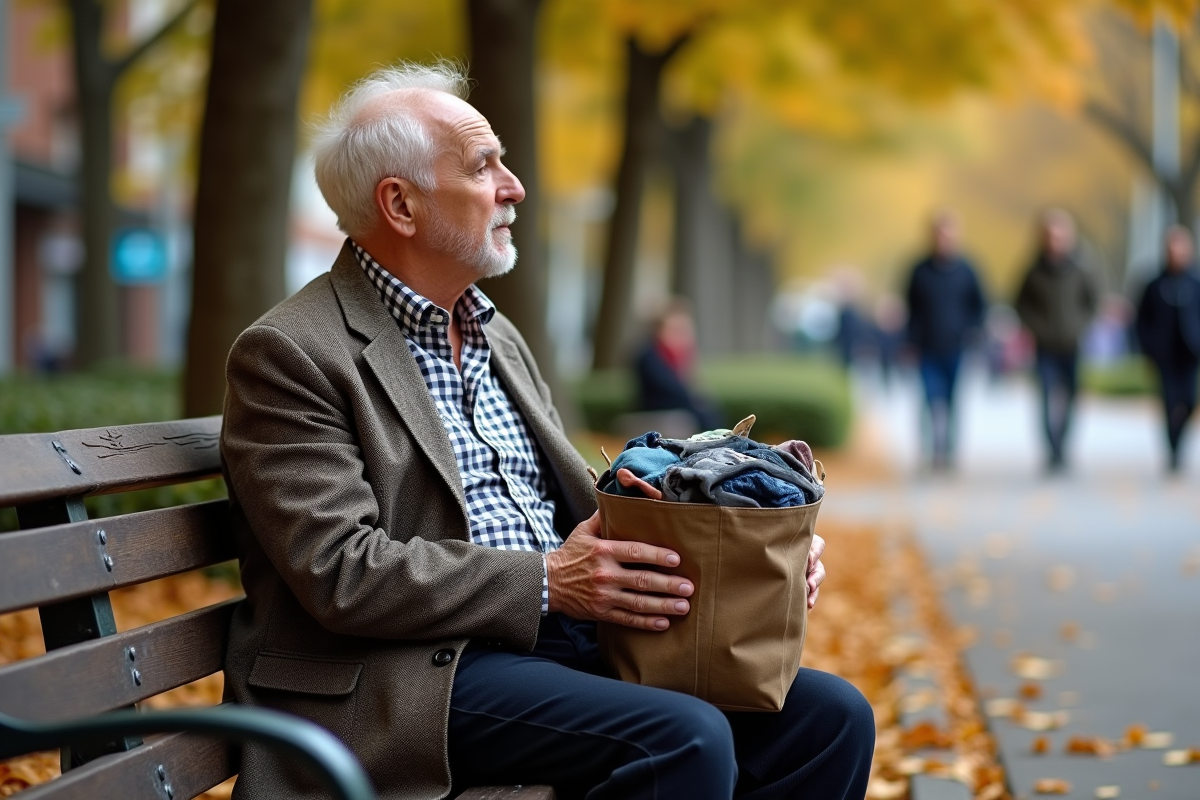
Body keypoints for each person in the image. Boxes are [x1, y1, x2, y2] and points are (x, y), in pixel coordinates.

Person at [219, 63, 874, 800]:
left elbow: (578, 513)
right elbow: (341, 572)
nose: (514, 186)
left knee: (831, 718)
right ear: (399, 205)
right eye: (482, 166)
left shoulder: (498, 337)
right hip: (403, 676)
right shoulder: (291, 353)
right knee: (683, 736)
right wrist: (548, 583)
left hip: (548, 645)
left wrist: (749, 560)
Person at [1015, 209, 1098, 471]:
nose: (1056, 240)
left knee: (1072, 398)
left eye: (1061, 235)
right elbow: (1021, 305)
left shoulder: (1081, 269)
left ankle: (1064, 447)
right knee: (1046, 397)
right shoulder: (1033, 270)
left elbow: (1092, 303)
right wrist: (1037, 329)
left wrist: (1079, 327)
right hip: (1044, 347)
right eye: (1051, 235)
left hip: (1072, 345)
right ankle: (1051, 449)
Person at [904, 211, 986, 470]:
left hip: (956, 347)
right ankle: (931, 451)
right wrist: (909, 341)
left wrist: (972, 331)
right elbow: (911, 308)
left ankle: (948, 451)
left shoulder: (968, 270)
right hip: (927, 348)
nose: (944, 240)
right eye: (940, 234)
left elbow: (980, 305)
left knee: (952, 402)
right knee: (929, 401)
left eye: (949, 235)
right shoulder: (919, 270)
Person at [1136, 225, 1200, 473]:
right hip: (1164, 355)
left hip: (1190, 353)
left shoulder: (1195, 283)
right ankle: (1172, 449)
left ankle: (1179, 441)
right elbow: (1141, 320)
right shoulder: (1154, 284)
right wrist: (1147, 348)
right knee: (1168, 402)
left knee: (1189, 402)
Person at [633, 299, 722, 431]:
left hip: (680, 407)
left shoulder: (679, 354)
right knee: (704, 416)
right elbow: (669, 387)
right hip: (661, 407)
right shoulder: (649, 355)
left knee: (711, 413)